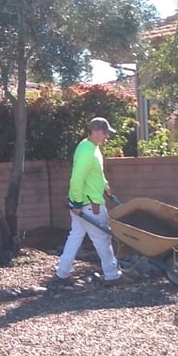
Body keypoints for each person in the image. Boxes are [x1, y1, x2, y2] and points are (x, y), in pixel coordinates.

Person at [54, 117, 122, 284]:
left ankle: (62, 273)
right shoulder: (87, 152)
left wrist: (105, 185)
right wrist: (77, 203)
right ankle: (112, 274)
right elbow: (77, 179)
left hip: (84, 202)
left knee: (75, 236)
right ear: (95, 132)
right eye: (105, 133)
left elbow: (96, 173)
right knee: (102, 239)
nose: (107, 137)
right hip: (90, 205)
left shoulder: (89, 146)